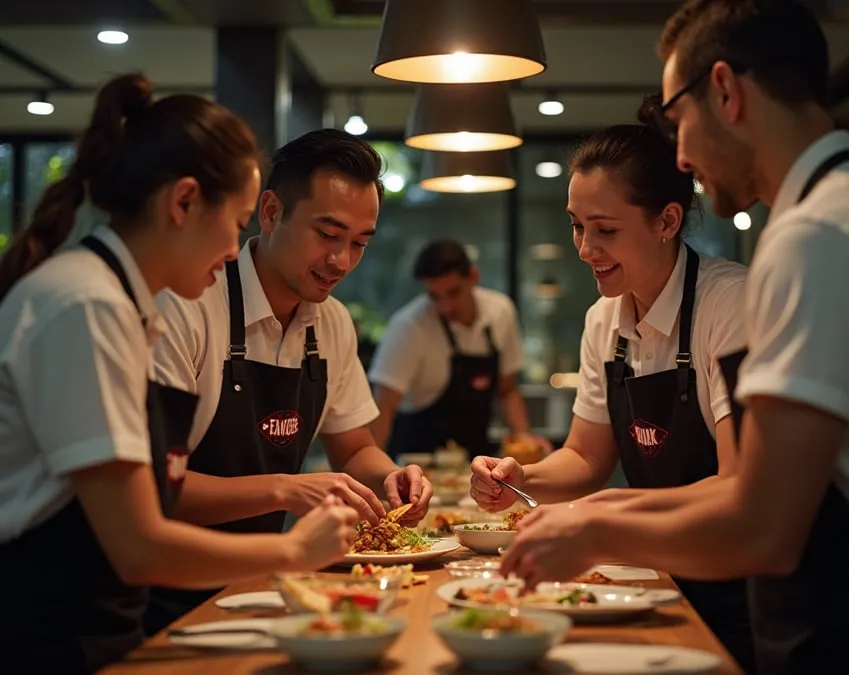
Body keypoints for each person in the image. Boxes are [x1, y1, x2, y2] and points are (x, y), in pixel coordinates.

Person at [500, 2, 849, 674]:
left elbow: (763, 525)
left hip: (847, 631)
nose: (680, 153)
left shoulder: (815, 238)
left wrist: (597, 524)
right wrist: (596, 506)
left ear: (725, 90)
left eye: (677, 118)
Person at [0, 74, 359, 675]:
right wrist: (295, 550)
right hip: (47, 638)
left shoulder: (120, 301)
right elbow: (139, 544)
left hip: (100, 626)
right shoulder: (87, 306)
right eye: (239, 220)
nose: (234, 247)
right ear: (184, 202)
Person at [469, 99, 753, 670]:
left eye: (605, 230)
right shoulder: (604, 320)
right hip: (656, 577)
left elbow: (737, 483)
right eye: (576, 226)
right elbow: (584, 456)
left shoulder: (733, 306)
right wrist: (525, 477)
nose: (584, 249)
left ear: (667, 221)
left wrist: (603, 518)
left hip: (740, 583)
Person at [144, 129, 433, 633]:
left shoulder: (333, 322)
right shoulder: (190, 305)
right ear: (272, 211)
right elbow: (154, 492)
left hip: (262, 584)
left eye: (359, 243)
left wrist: (389, 476)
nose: (341, 261)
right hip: (164, 593)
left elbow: (354, 445)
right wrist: (284, 489)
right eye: (328, 235)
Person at [369, 240, 541, 462]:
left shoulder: (500, 312)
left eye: (453, 293)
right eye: (435, 296)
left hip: (476, 460)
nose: (446, 306)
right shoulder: (408, 327)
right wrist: (370, 475)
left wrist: (524, 440)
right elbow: (384, 406)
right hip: (417, 461)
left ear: (473, 277)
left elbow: (507, 390)